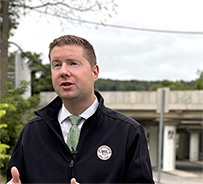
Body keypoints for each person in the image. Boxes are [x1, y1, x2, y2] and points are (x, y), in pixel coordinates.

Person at [7, 35, 154, 184]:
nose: (63, 71)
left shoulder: (128, 132)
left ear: (94, 72)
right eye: (56, 65)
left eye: (73, 63)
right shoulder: (32, 132)